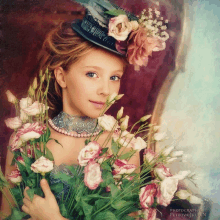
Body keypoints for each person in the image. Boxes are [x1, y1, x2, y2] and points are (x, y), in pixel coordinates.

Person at [2, 0, 168, 219]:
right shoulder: (26, 142)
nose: (106, 90)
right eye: (92, 74)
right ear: (61, 76)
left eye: (114, 77)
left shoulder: (123, 151)